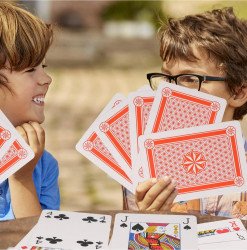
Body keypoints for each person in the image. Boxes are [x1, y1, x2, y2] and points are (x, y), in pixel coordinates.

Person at [123, 7, 247, 219]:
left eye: (190, 79)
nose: (170, 92)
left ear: (238, 92)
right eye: (167, 78)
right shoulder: (144, 169)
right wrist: (150, 220)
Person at [0, 2, 60, 221]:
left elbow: (41, 240)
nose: (46, 79)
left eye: (43, 67)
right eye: (30, 70)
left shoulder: (44, 165)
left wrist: (22, 177)